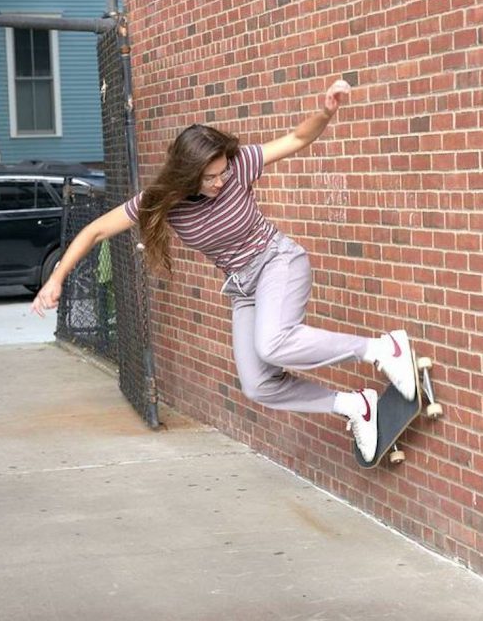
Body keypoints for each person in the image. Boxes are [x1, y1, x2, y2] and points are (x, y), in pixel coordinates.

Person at [31, 80, 416, 464]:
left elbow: (297, 139)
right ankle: (355, 406)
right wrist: (56, 279)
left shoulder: (241, 164)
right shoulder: (161, 200)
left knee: (273, 343)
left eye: (222, 172)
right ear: (187, 175)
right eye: (209, 177)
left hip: (277, 261)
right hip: (243, 287)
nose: (220, 182)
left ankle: (383, 349)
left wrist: (326, 112)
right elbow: (96, 230)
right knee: (258, 384)